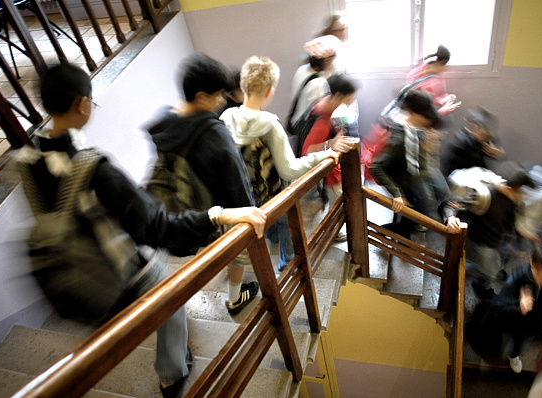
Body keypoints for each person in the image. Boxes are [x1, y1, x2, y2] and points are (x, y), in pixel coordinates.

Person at [23, 64, 266, 398]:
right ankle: (172, 373)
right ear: (82, 104)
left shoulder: (26, 159)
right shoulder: (95, 169)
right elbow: (158, 227)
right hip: (116, 272)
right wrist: (218, 216)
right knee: (170, 292)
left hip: (67, 268)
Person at [143, 54, 262, 316]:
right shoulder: (213, 134)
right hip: (207, 214)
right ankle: (234, 299)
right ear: (200, 96)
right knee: (240, 244)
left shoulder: (165, 119)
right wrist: (249, 217)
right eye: (217, 94)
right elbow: (239, 190)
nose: (221, 100)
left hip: (172, 212)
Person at [221, 56, 352, 272]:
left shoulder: (227, 116)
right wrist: (327, 153)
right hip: (271, 194)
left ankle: (275, 247)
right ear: (269, 91)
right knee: (286, 223)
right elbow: (288, 169)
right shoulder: (269, 123)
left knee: (261, 231)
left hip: (243, 195)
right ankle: (288, 264)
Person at [466, 235, 542, 373]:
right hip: (510, 321)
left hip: (533, 325)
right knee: (497, 342)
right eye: (541, 272)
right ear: (532, 263)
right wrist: (520, 307)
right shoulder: (519, 277)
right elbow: (497, 306)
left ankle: (513, 356)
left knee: (520, 345)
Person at [443, 160, 536, 298]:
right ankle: (461, 271)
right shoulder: (484, 195)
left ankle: (480, 275)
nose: (525, 196)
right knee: (489, 271)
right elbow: (452, 204)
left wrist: (519, 247)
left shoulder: (516, 202)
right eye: (522, 192)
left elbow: (516, 224)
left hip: (497, 240)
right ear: (513, 189)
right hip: (480, 241)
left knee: (497, 264)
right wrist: (450, 218)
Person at [369, 90, 449, 238]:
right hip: (405, 182)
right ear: (413, 113)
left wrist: (431, 148)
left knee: (424, 206)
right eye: (425, 117)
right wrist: (397, 194)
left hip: (417, 175)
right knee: (418, 208)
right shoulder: (398, 136)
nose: (428, 122)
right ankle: (384, 231)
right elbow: (376, 166)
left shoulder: (418, 128)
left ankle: (400, 234)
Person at [301, 74, 359, 240]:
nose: (352, 99)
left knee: (335, 199)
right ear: (339, 95)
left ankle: (332, 227)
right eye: (350, 96)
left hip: (330, 169)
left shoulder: (326, 101)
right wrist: (331, 143)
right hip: (329, 171)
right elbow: (308, 150)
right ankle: (334, 231)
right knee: (339, 200)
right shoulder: (323, 120)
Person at [287, 35, 342, 131]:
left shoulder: (301, 70)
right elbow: (319, 112)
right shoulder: (319, 83)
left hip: (297, 122)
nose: (333, 63)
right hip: (308, 129)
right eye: (332, 59)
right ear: (326, 60)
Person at [440, 107, 505, 179]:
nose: (483, 133)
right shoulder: (461, 141)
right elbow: (450, 170)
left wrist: (498, 154)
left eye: (486, 132)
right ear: (470, 126)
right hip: (460, 176)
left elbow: (496, 154)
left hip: (478, 174)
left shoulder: (488, 138)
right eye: (477, 129)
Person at [406, 44, 460, 117]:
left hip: (425, 111)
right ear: (441, 63)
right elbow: (421, 100)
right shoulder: (416, 75)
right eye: (444, 65)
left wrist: (447, 98)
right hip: (417, 113)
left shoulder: (438, 76)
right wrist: (442, 107)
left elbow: (438, 95)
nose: (445, 68)